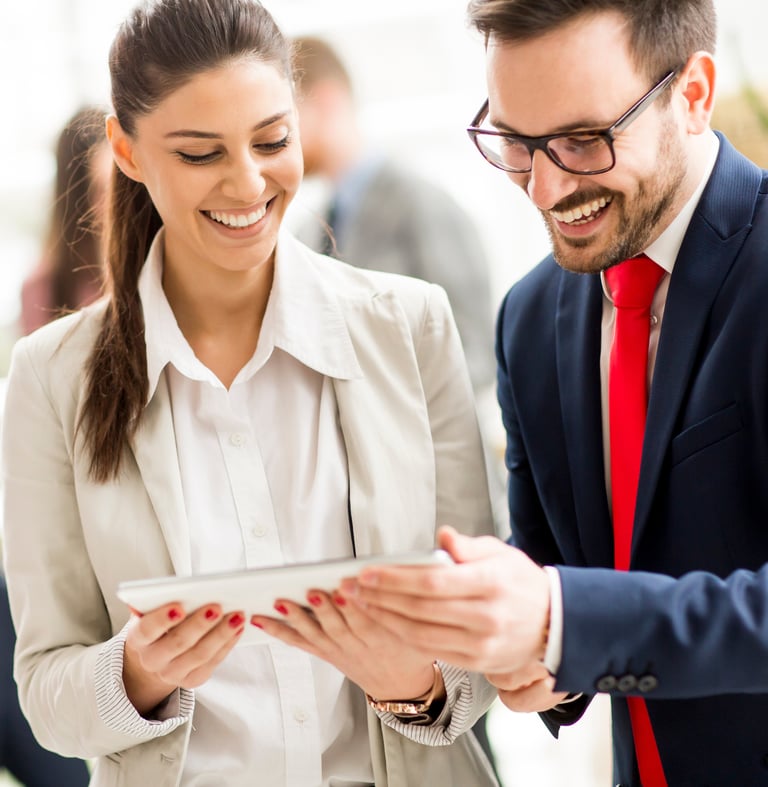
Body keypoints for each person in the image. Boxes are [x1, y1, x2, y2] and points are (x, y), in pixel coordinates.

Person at [1, 1, 498, 785]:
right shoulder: (49, 378)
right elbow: (44, 690)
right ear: (127, 152)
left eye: (273, 140)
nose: (248, 182)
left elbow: (485, 628)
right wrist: (135, 672)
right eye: (200, 153)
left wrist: (415, 685)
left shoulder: (410, 327)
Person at [334, 1, 768, 785]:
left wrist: (561, 619)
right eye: (516, 142)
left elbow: (574, 607)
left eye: (583, 140)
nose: (543, 188)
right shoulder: (531, 320)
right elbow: (556, 583)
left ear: (694, 94)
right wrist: (523, 649)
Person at [291, 36, 496, 396]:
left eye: (284, 119)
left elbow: (475, 350)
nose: (275, 140)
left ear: (325, 101)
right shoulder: (306, 230)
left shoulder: (422, 205)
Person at [20, 105, 111, 335]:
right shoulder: (43, 289)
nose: (114, 204)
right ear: (77, 201)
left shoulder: (156, 266)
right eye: (100, 190)